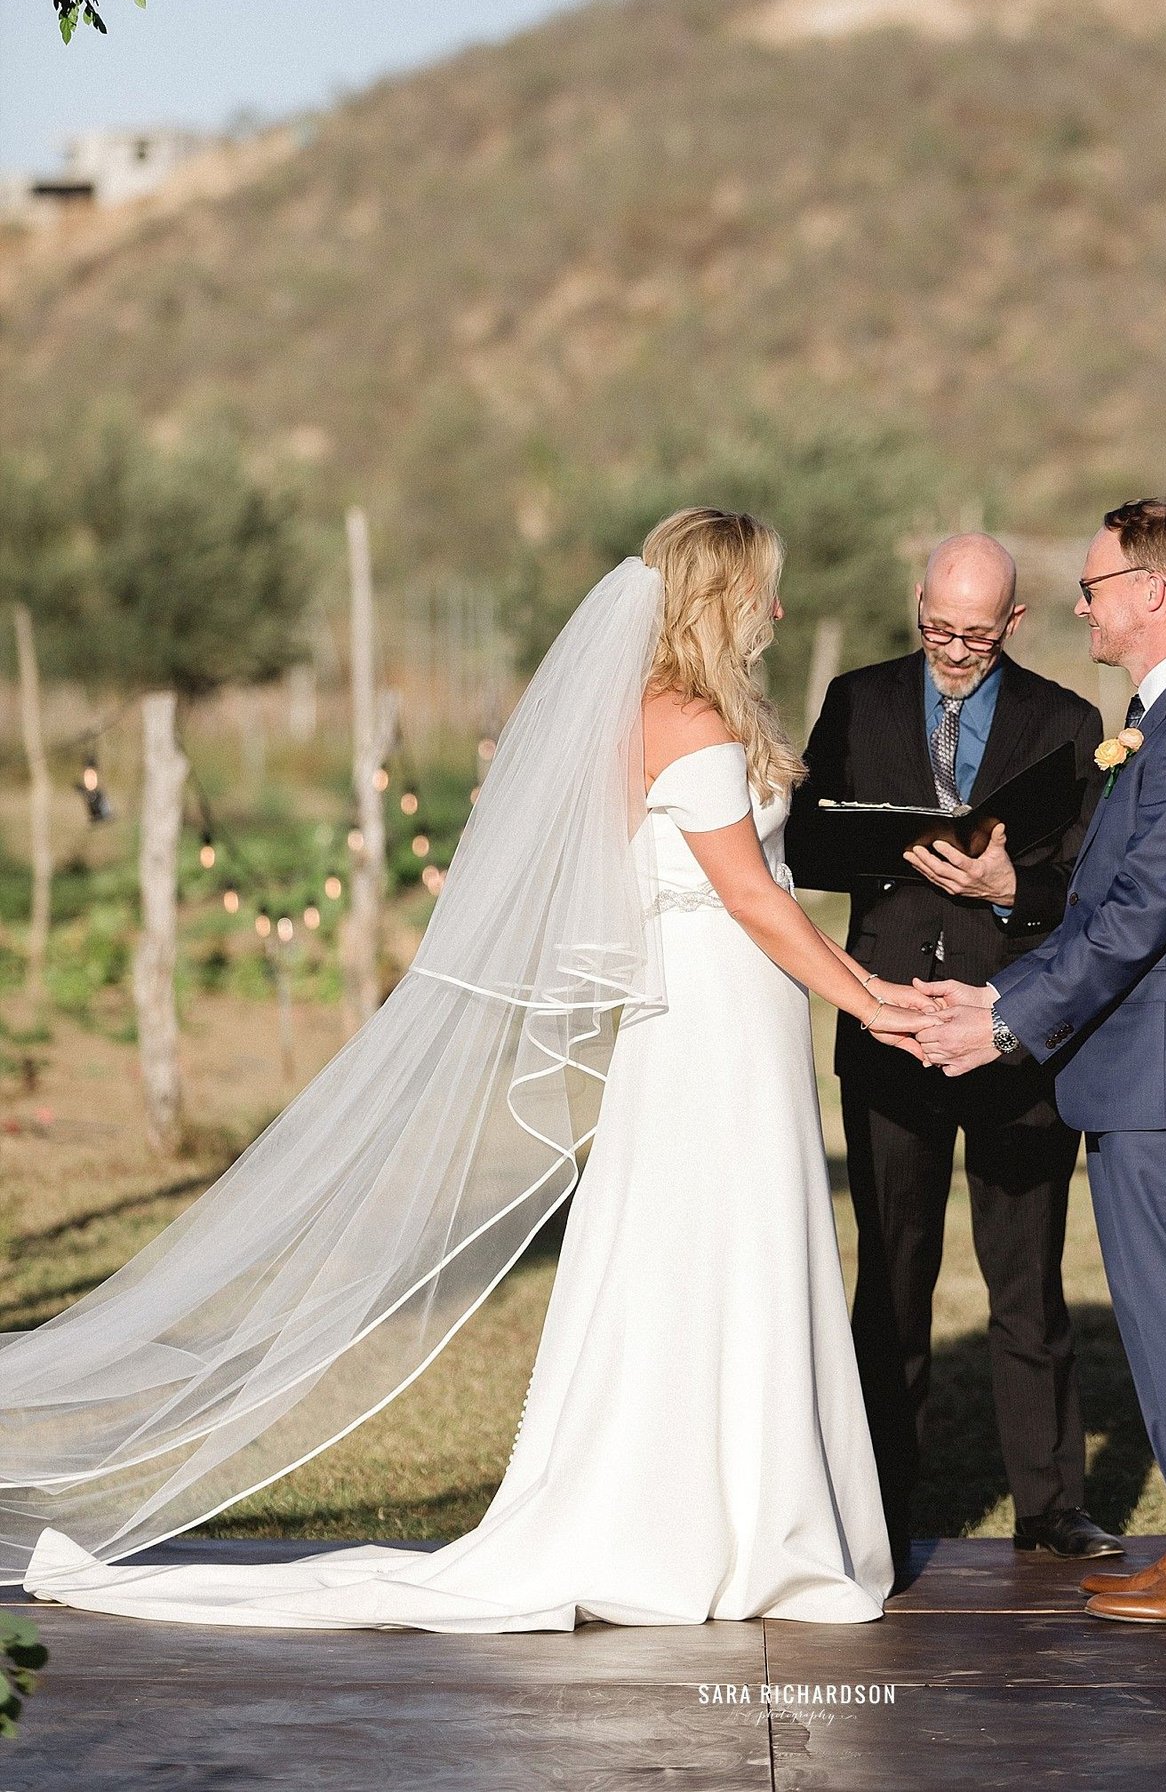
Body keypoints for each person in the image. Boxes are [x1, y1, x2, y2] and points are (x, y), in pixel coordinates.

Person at [12, 510, 934, 1632]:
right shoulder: (685, 722)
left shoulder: (663, 713)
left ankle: (734, 1511)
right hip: (712, 1017)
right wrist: (874, 1000)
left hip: (719, 1011)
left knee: (715, 1239)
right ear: (721, 597)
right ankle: (718, 1524)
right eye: (764, 592)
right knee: (718, 1234)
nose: (779, 612)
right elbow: (750, 896)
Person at [913, 497, 1166, 1626]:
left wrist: (1004, 1027)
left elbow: (1137, 925)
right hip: (1138, 1062)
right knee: (1160, 1303)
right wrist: (994, 992)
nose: (1079, 605)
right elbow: (1104, 902)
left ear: (1152, 591)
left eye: (1091, 585)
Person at [785, 532, 1120, 1582]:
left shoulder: (1067, 725)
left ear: (1013, 623)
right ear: (915, 604)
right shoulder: (855, 699)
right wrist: (901, 844)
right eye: (938, 628)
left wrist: (1005, 889)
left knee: (1025, 1279)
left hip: (1012, 1025)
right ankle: (874, 1503)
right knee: (890, 1279)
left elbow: (1083, 889)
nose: (954, 650)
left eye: (975, 635)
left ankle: (1050, 1506)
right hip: (885, 1016)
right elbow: (803, 843)